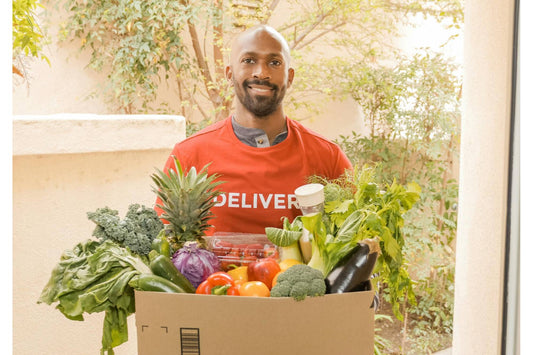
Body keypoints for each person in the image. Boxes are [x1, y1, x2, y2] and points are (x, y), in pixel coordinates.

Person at [155, 24, 352, 234]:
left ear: (290, 76)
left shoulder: (328, 157)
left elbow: (357, 242)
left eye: (274, 62)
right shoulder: (189, 156)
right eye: (248, 61)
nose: (261, 72)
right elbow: (163, 246)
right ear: (229, 73)